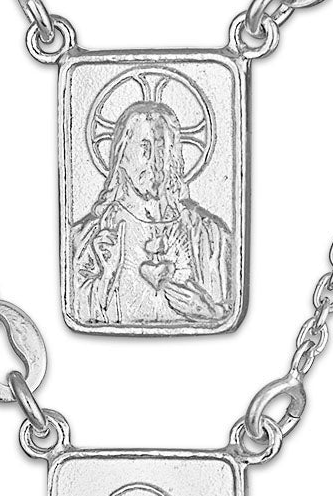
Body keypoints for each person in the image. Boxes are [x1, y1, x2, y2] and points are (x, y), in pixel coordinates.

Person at [72, 101, 232, 327]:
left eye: (162, 149)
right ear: (121, 156)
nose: (155, 162)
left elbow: (228, 305)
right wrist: (107, 276)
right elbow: (78, 306)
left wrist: (210, 311)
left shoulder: (207, 234)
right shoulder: (93, 234)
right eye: (144, 149)